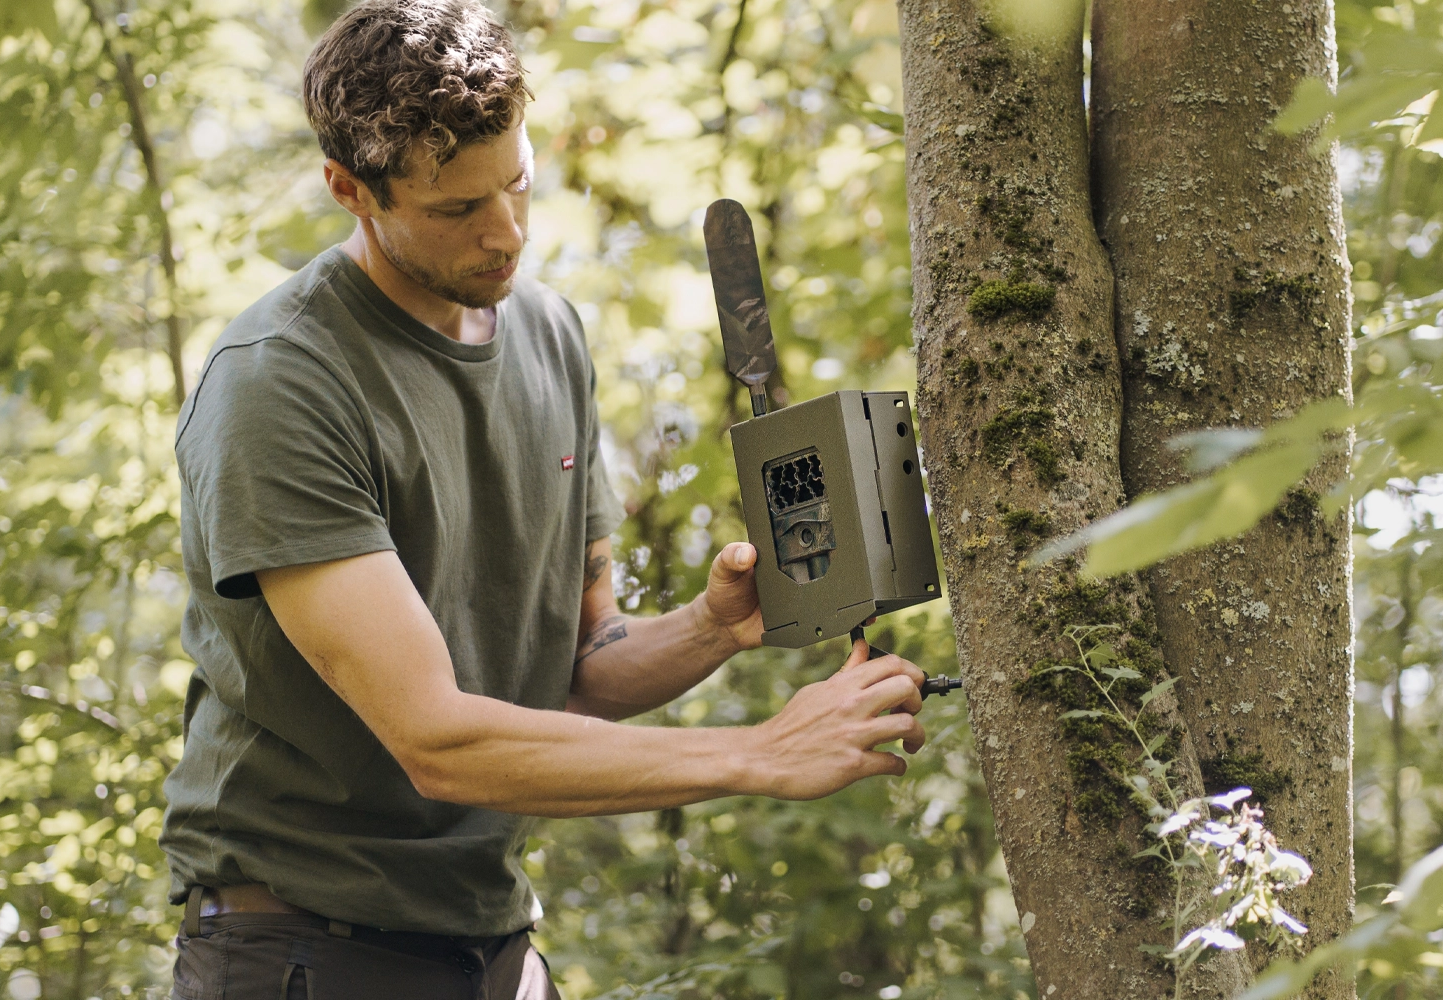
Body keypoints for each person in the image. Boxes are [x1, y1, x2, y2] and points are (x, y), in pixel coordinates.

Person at [160, 2, 931, 996]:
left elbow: (578, 667)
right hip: (305, 947)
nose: (506, 233)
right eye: (456, 210)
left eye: (517, 183)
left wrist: (713, 626)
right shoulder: (281, 383)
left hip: (493, 943)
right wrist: (759, 752)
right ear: (351, 191)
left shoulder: (549, 334)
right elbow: (436, 739)